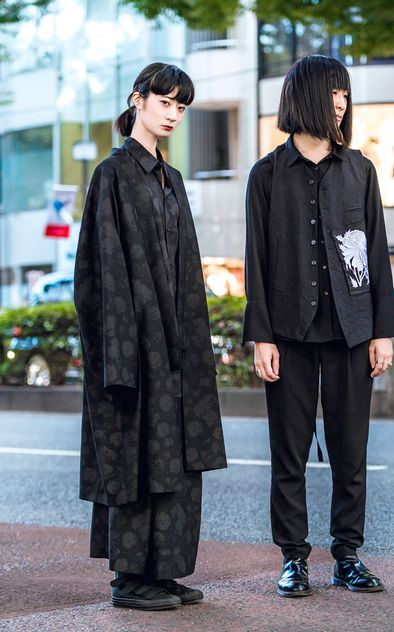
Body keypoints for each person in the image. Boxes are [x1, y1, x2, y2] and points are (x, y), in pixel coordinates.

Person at [243, 55, 394, 598]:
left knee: (349, 447)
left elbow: (376, 253)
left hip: (351, 328)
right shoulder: (265, 175)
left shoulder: (361, 171)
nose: (341, 102)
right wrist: (260, 335)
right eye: (333, 92)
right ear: (306, 97)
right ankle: (293, 558)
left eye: (345, 94)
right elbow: (257, 262)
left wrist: (382, 328)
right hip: (287, 332)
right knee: (288, 450)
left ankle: (347, 555)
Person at [74, 62, 227, 611]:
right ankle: (129, 579)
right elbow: (99, 272)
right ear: (137, 100)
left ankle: (162, 572)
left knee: (173, 454)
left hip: (174, 345)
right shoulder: (112, 175)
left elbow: (188, 271)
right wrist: (121, 355)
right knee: (138, 453)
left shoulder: (171, 179)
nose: (173, 114)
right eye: (165, 102)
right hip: (134, 346)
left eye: (181, 106)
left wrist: (190, 345)